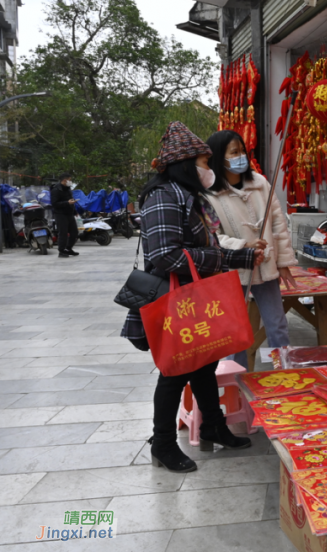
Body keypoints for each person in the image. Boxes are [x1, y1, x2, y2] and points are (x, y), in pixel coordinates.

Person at [120, 122, 264, 473]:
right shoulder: (163, 196)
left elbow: (206, 246)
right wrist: (220, 258)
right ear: (186, 164)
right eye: (203, 161)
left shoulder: (189, 197)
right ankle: (163, 444)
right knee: (174, 371)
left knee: (205, 362)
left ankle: (213, 425)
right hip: (176, 299)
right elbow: (165, 255)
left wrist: (244, 255)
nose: (208, 168)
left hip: (195, 296)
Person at [203, 130, 298, 368]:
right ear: (217, 158)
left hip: (265, 265)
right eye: (233, 152)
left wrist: (284, 262)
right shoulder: (207, 194)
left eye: (242, 151)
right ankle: (235, 381)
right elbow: (210, 235)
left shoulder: (260, 184)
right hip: (232, 268)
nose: (240, 156)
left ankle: (284, 373)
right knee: (234, 329)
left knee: (277, 324)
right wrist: (242, 245)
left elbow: (278, 223)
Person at [50, 173, 79, 257]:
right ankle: (61, 251)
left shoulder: (68, 189)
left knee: (74, 232)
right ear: (64, 180)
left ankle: (68, 248)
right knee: (63, 233)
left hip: (69, 213)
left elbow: (70, 200)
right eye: (70, 180)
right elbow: (54, 204)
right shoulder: (56, 190)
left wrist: (74, 211)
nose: (71, 182)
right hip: (60, 214)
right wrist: (67, 203)